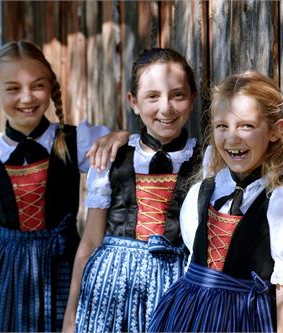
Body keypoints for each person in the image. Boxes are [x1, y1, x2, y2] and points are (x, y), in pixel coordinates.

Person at [0, 40, 128, 333]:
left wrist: (119, 135)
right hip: (4, 275)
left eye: (37, 86)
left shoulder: (78, 140)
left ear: (50, 88)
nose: (27, 97)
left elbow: (126, 142)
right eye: (13, 88)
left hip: (63, 268)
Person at [148, 70, 283, 333]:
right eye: (222, 126)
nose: (232, 137)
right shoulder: (204, 190)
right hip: (187, 316)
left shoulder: (282, 198)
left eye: (246, 126)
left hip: (242, 320)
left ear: (276, 131)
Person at [62, 47, 201, 333]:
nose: (166, 108)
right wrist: (70, 318)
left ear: (193, 99)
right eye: (152, 96)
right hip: (110, 285)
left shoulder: (206, 160)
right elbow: (89, 243)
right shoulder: (111, 158)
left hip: (174, 283)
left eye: (178, 95)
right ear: (133, 102)